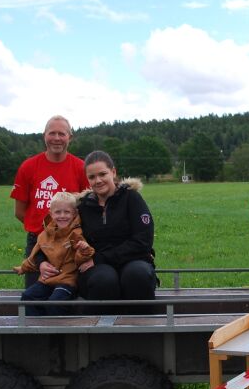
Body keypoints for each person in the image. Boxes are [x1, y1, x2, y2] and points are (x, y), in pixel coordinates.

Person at [59, 150, 156, 311]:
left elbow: (143, 241)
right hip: (95, 267)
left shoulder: (131, 198)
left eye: (102, 174)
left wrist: (101, 258)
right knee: (104, 280)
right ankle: (101, 333)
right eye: (92, 177)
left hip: (132, 259)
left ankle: (142, 330)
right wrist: (41, 260)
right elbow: (57, 234)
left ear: (113, 172)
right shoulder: (83, 206)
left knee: (137, 275)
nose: (98, 181)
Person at [11, 115, 88, 288]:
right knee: (34, 297)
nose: (57, 138)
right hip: (38, 242)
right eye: (52, 133)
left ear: (70, 137)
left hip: (70, 243)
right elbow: (20, 211)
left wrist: (64, 233)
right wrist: (45, 232)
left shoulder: (81, 167)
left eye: (62, 134)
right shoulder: (28, 167)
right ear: (44, 135)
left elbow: (87, 209)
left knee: (67, 296)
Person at [15, 191, 94, 316]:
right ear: (51, 213)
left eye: (67, 212)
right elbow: (35, 254)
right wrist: (23, 268)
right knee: (28, 296)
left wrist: (83, 250)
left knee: (55, 302)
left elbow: (79, 260)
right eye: (58, 212)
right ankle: (36, 329)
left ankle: (57, 333)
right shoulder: (45, 234)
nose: (62, 216)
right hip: (47, 280)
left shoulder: (76, 234)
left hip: (67, 280)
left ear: (74, 213)